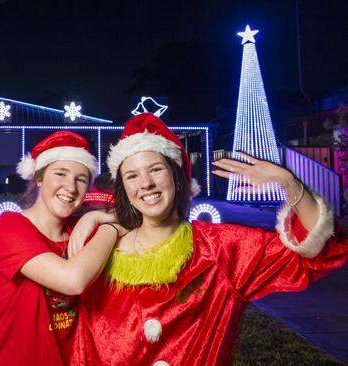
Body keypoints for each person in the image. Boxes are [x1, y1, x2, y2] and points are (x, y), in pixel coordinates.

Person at [69, 113, 348, 365]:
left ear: (177, 177)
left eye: (156, 169)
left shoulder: (220, 249)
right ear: (124, 188)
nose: (146, 184)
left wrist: (289, 181)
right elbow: (83, 346)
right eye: (132, 175)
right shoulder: (103, 252)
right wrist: (100, 222)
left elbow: (320, 249)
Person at [0, 130, 125, 366]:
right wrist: (109, 227)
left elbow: (136, 219)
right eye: (60, 174)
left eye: (81, 179)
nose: (71, 186)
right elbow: (72, 280)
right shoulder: (10, 227)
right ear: (39, 177)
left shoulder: (78, 229)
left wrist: (94, 218)